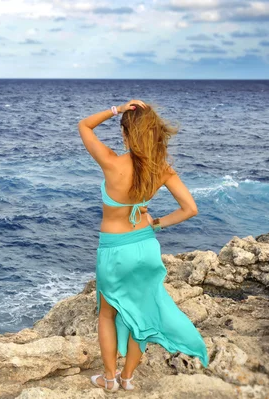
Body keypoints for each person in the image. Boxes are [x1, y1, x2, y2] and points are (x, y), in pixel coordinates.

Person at [77, 99, 209, 392]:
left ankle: (109, 379)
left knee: (107, 313)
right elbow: (190, 209)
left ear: (126, 135)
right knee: (144, 312)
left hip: (115, 250)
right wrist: (157, 222)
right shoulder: (160, 169)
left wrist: (117, 110)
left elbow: (83, 125)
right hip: (146, 247)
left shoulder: (111, 162)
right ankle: (128, 379)